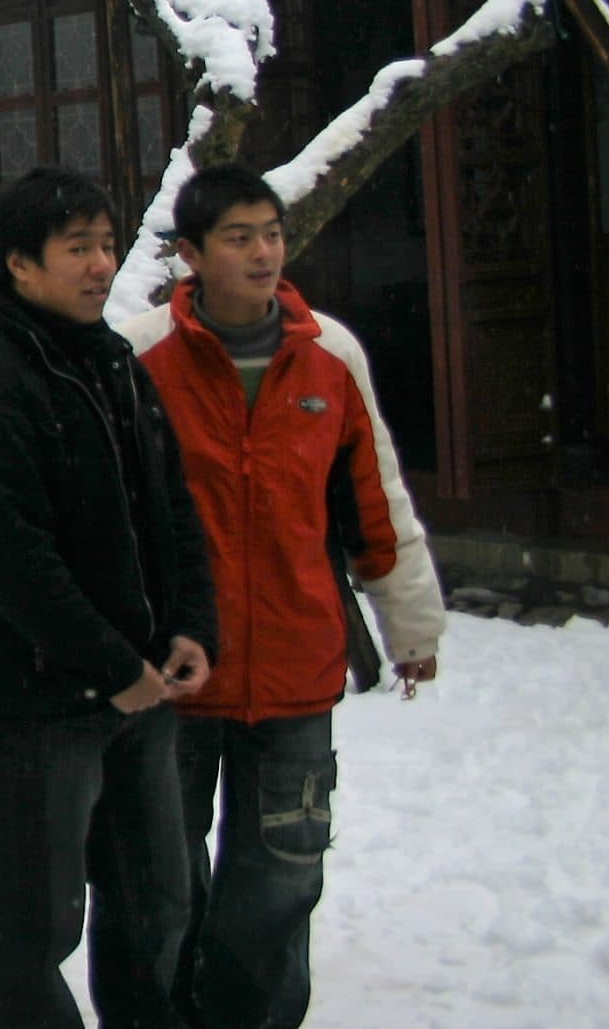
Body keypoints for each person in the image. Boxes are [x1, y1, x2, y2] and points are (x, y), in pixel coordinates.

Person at [115, 165, 444, 1029]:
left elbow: (377, 501)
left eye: (272, 233)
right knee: (160, 882)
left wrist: (410, 623)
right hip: (174, 674)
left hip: (296, 667)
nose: (264, 252)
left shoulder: (328, 354)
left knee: (281, 878)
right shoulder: (140, 358)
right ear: (189, 255)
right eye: (239, 236)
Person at [0, 167, 221, 1029]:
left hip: (143, 689)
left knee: (155, 901)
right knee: (39, 921)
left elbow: (171, 507)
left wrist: (191, 627)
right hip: (38, 702)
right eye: (77, 248)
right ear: (21, 265)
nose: (100, 265)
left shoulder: (116, 364)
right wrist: (107, 663)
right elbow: (11, 560)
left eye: (106, 245)